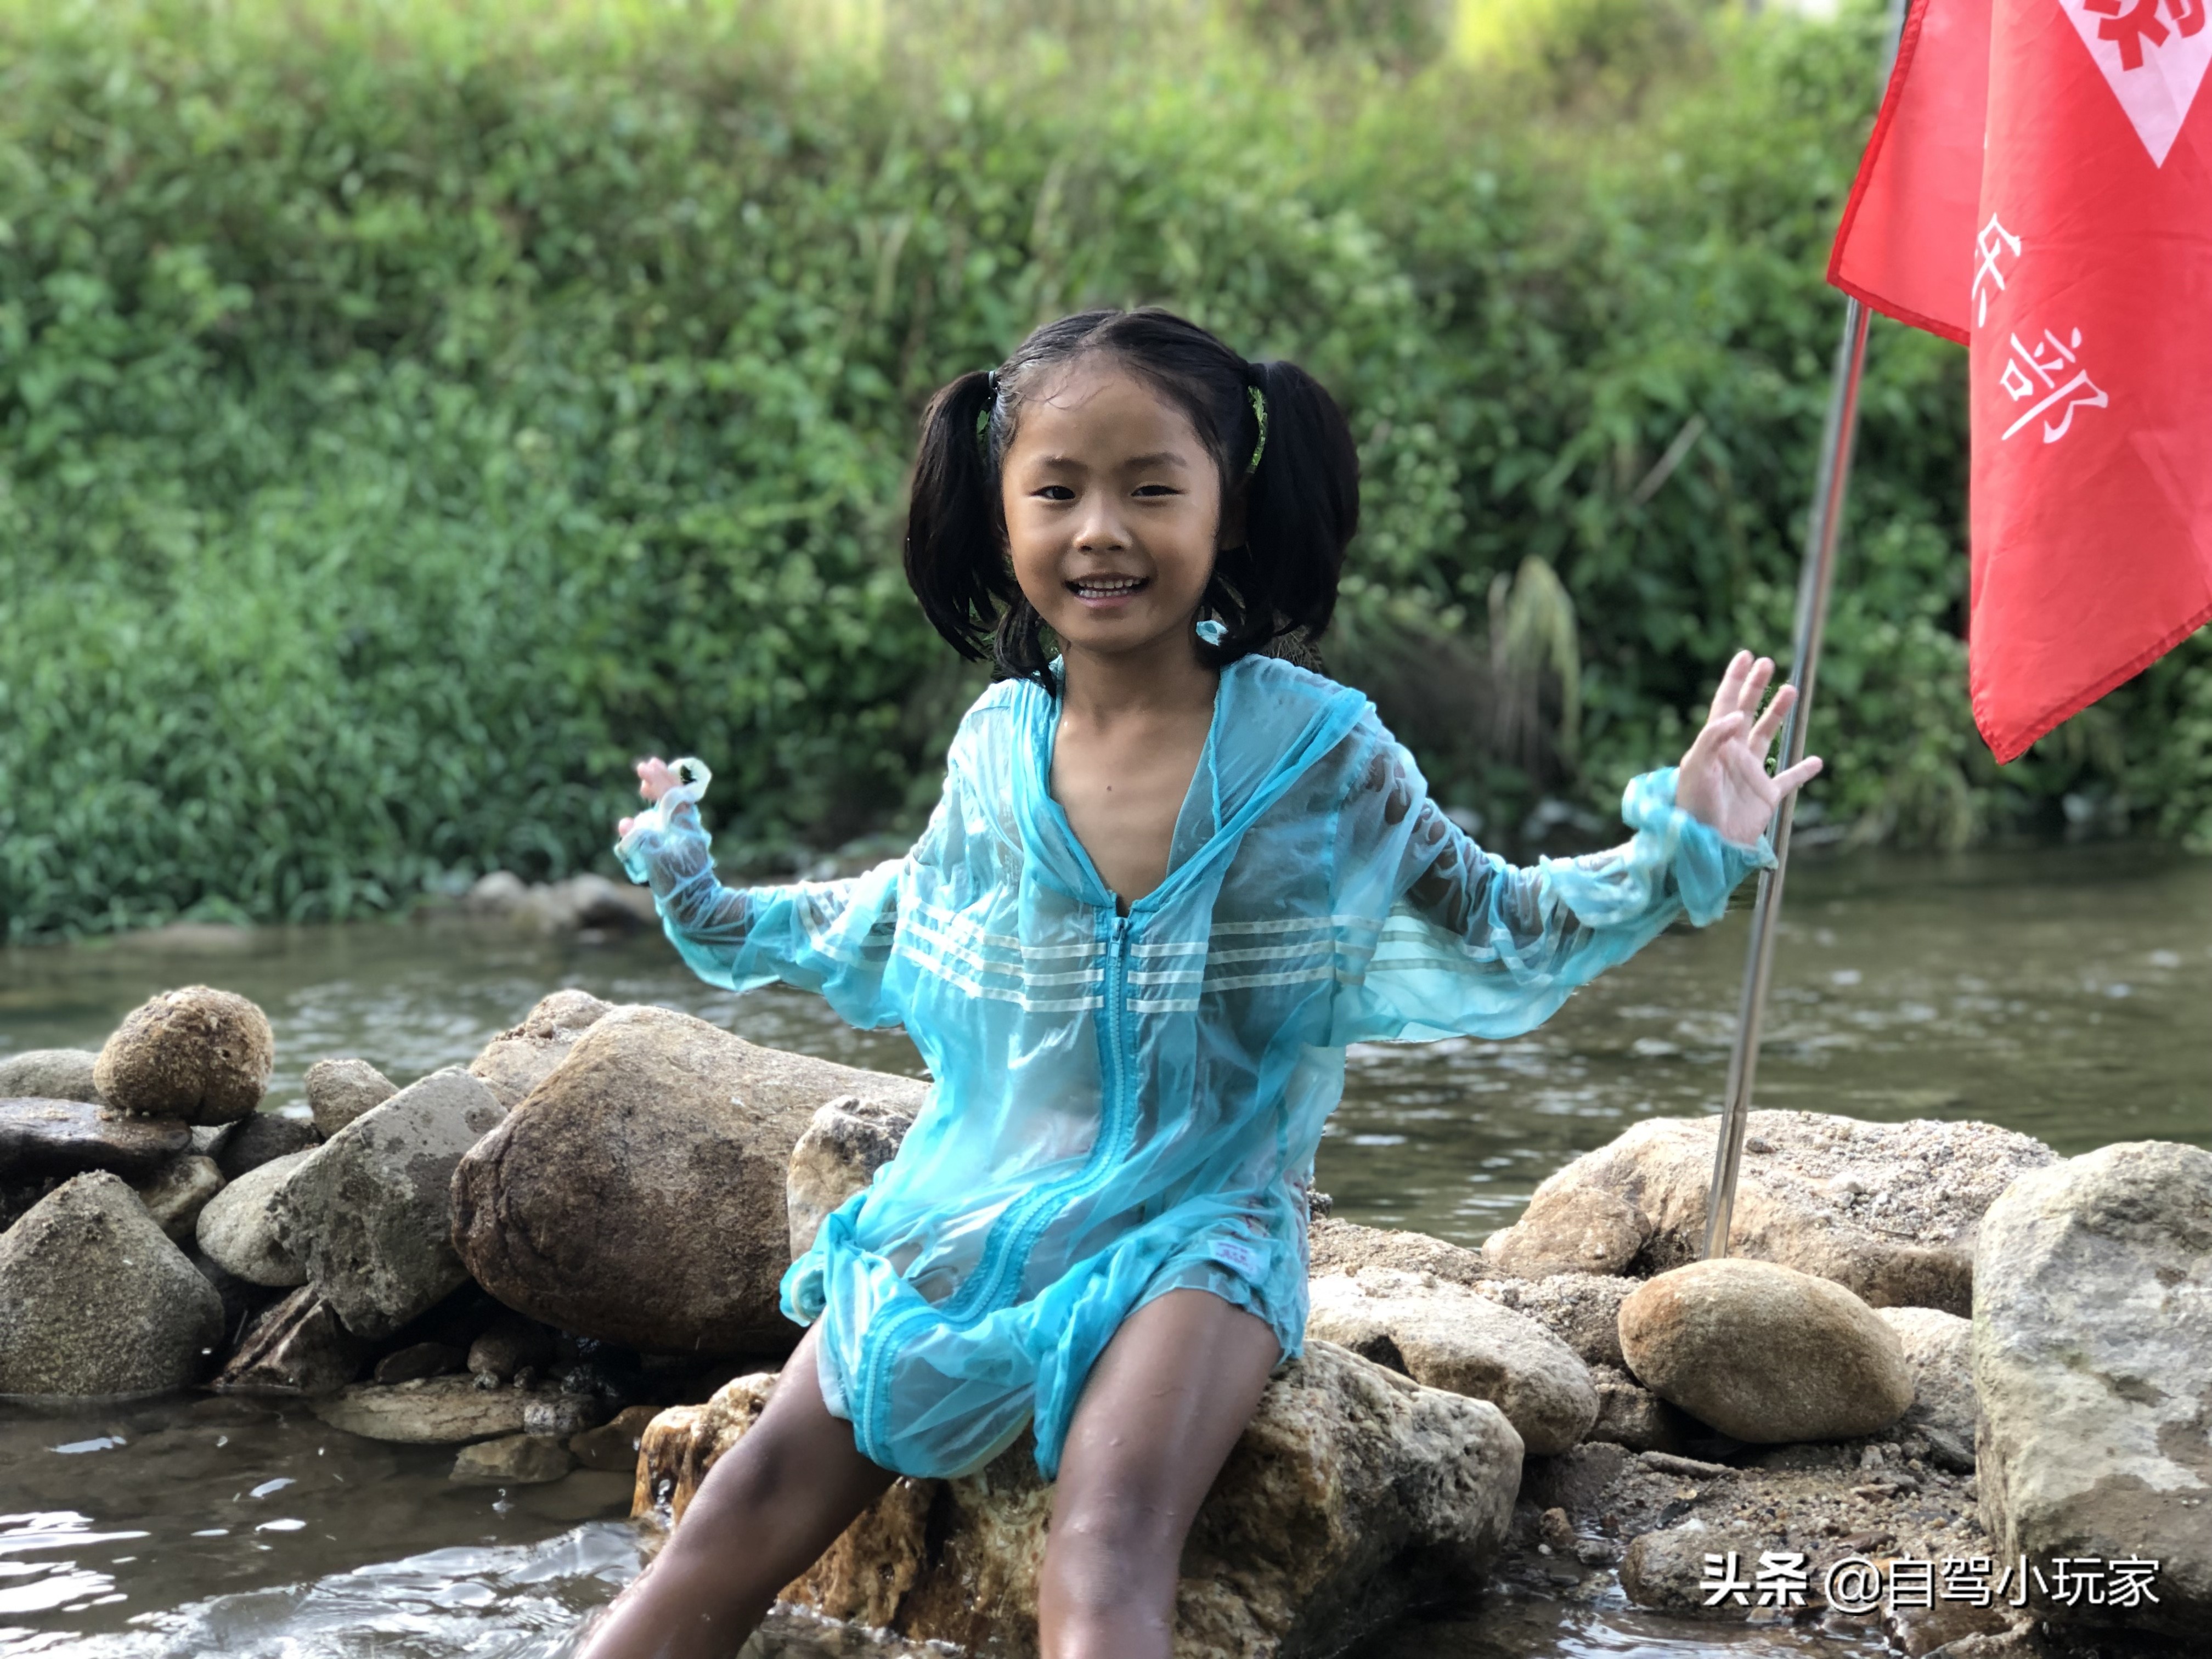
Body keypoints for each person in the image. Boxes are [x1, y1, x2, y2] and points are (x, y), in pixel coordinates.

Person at [579, 307, 1820, 1659]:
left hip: (1205, 1226)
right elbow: (894, 910)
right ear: (1002, 518)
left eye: (1151, 489)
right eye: (1056, 492)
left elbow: (1499, 915)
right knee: (742, 1497)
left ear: (1230, 511)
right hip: (976, 1204)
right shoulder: (1000, 745)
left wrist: (1682, 848)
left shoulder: (1318, 748)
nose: (1100, 530)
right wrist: (704, 898)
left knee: (1104, 1549)